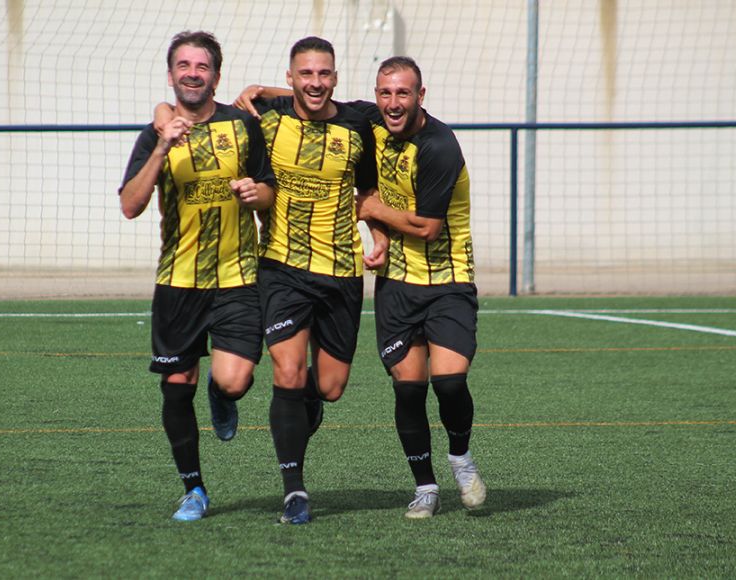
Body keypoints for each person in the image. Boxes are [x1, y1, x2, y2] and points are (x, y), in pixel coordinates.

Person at [236, 55, 485, 519]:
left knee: (449, 381)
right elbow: (318, 99)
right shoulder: (371, 119)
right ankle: (425, 487)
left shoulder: (440, 147)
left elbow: (428, 228)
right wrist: (263, 91)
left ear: (420, 96)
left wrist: (370, 213)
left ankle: (461, 459)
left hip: (448, 279)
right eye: (385, 93)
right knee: (408, 389)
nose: (393, 103)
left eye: (403, 94)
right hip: (394, 283)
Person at [218, 36, 384, 525]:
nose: (315, 82)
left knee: (329, 388)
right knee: (287, 373)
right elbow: (210, 116)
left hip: (341, 272)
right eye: (305, 74)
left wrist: (378, 233)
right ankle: (294, 491)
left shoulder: (360, 122)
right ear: (290, 77)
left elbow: (368, 186)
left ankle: (305, 403)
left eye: (324, 74)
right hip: (282, 266)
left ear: (335, 77)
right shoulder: (264, 117)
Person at [118, 31, 275, 523]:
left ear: (216, 76)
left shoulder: (243, 126)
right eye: (183, 65)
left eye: (201, 66)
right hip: (178, 280)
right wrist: (163, 148)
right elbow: (129, 205)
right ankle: (194, 490)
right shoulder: (155, 133)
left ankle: (221, 394)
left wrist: (256, 194)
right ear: (171, 75)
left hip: (237, 277)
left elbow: (269, 189)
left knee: (234, 380)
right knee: (176, 382)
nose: (192, 73)